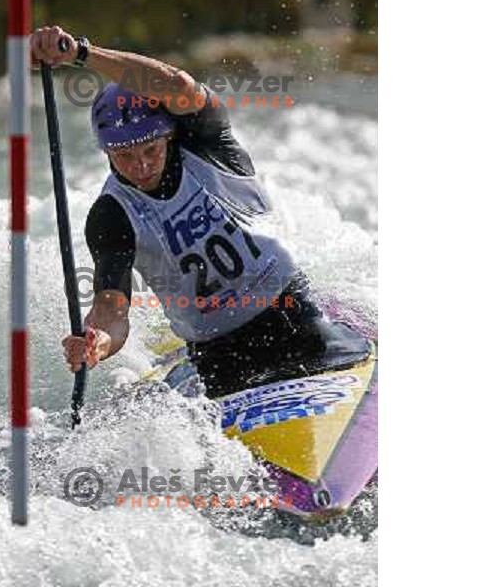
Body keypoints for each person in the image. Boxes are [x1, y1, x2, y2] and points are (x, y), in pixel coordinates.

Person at [30, 26, 369, 398]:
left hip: (294, 317)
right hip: (218, 355)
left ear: (169, 136)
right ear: (107, 152)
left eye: (150, 150)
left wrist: (80, 54)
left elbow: (175, 84)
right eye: (124, 156)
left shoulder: (208, 142)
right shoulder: (111, 215)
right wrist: (99, 342)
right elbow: (112, 307)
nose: (141, 166)